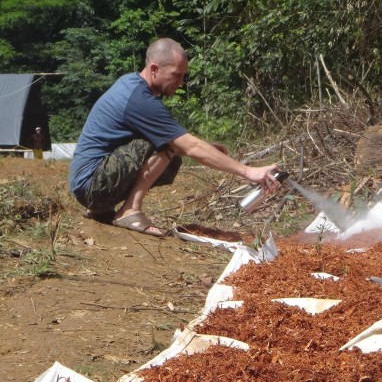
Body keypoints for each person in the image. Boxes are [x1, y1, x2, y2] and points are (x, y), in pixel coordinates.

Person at [69, 37, 281, 236]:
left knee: (170, 147)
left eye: (183, 76)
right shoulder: (140, 100)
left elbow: (186, 143)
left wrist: (204, 147)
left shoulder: (131, 84)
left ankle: (102, 210)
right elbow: (188, 145)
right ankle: (130, 211)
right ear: (154, 69)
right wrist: (248, 171)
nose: (181, 82)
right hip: (92, 186)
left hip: (89, 186)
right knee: (166, 145)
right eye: (176, 75)